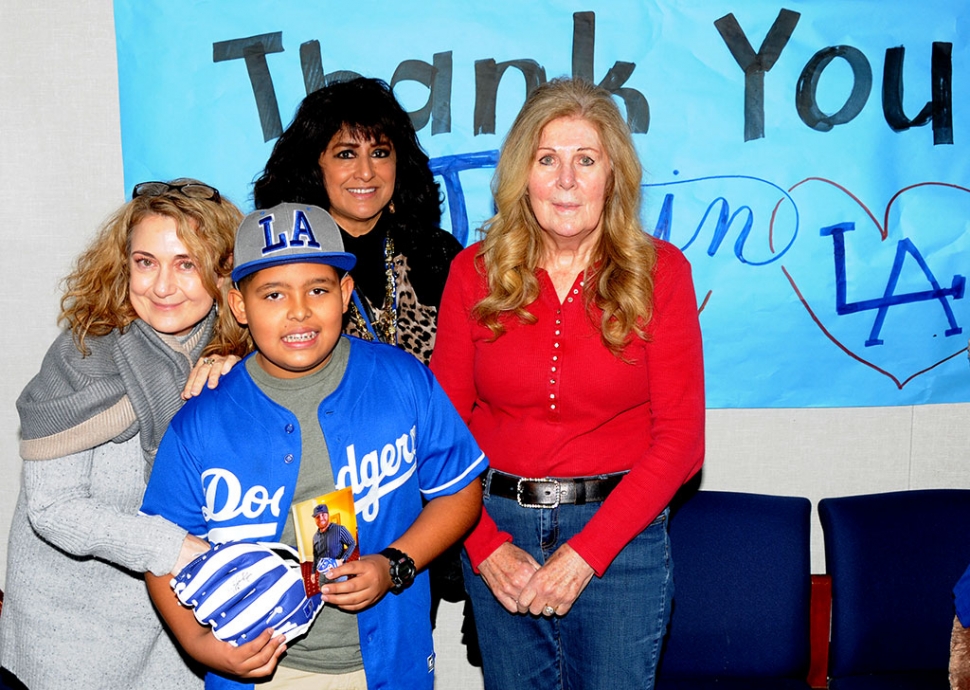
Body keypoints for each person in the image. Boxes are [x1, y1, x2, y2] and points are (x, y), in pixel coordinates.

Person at [430, 77, 706, 690]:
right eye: (547, 159)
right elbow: (441, 430)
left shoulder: (661, 273)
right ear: (520, 173)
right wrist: (482, 544)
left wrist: (586, 554)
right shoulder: (473, 272)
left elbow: (682, 440)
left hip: (621, 537)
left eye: (586, 160)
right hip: (495, 529)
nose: (566, 180)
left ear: (614, 176)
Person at [141, 202, 487, 690]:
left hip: (386, 658)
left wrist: (395, 564)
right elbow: (160, 549)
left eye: (318, 290)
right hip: (261, 669)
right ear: (239, 306)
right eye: (273, 294)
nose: (299, 311)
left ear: (345, 293)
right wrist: (199, 646)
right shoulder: (201, 419)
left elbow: (460, 491)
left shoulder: (402, 379)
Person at [0, 180, 249, 690]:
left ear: (226, 272)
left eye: (187, 263)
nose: (161, 286)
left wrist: (241, 374)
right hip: (69, 627)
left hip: (176, 626)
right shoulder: (82, 357)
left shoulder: (241, 351)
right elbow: (52, 509)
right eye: (145, 261)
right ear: (123, 264)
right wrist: (182, 550)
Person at [252, 77, 462, 366]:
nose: (365, 172)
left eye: (379, 153)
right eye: (346, 154)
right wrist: (217, 358)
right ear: (314, 164)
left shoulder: (437, 253)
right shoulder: (285, 258)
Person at [312, 503, 356, 569]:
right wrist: (313, 572)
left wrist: (342, 560)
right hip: (323, 572)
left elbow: (352, 543)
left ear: (328, 515)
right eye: (317, 517)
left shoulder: (340, 529)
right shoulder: (315, 537)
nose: (321, 518)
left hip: (339, 569)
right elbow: (315, 555)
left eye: (323, 515)